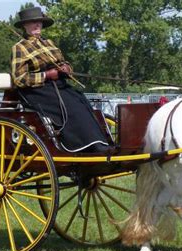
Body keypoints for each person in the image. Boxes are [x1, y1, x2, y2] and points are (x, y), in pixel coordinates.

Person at [11, 7, 110, 153]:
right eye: (32, 22)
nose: (37, 25)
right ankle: (82, 145)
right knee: (71, 106)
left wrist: (66, 68)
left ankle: (97, 141)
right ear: (25, 26)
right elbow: (19, 78)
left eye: (39, 22)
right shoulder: (19, 47)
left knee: (81, 99)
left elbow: (64, 62)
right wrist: (47, 75)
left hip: (58, 84)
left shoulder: (49, 43)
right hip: (36, 90)